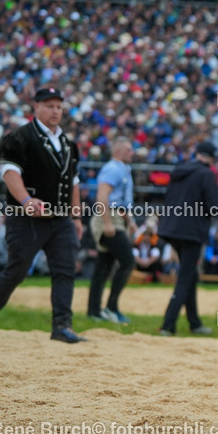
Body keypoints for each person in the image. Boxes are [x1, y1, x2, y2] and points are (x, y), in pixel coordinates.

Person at [0, 88, 87, 343]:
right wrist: (26, 200)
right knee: (18, 269)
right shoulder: (18, 138)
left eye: (59, 106)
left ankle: (62, 325)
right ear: (35, 107)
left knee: (65, 270)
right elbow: (9, 172)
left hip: (60, 220)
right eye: (49, 105)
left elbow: (74, 183)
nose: (55, 111)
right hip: (25, 219)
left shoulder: (69, 144)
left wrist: (77, 217)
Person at [158, 140, 218, 336]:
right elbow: (213, 207)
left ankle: (194, 323)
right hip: (191, 231)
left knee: (190, 275)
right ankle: (168, 324)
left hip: (171, 228)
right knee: (185, 277)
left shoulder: (179, 170)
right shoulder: (206, 173)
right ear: (211, 158)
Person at [87, 137, 136, 324]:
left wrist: (129, 221)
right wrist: (107, 223)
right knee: (127, 261)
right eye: (129, 150)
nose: (132, 153)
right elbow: (102, 197)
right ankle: (111, 307)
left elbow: (120, 202)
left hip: (117, 217)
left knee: (104, 266)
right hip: (108, 218)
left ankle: (94, 310)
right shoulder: (113, 168)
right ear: (119, 151)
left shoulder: (122, 169)